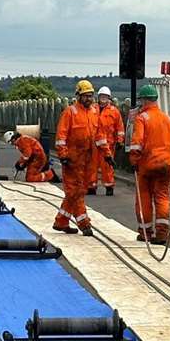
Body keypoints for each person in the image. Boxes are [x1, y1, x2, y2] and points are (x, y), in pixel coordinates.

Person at [126, 83, 170, 244]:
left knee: (144, 198)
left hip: (148, 165)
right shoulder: (167, 119)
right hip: (166, 164)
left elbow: (137, 143)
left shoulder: (142, 118)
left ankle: (145, 231)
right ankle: (162, 234)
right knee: (162, 197)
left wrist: (133, 160)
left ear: (145, 100)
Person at [53, 80, 99, 234]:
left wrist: (106, 154)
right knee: (76, 192)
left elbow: (99, 135)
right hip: (72, 160)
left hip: (88, 160)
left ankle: (61, 221)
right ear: (78, 96)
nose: (88, 98)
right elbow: (61, 136)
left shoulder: (94, 113)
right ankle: (84, 223)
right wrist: (63, 155)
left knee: (77, 192)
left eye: (90, 95)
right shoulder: (70, 112)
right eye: (85, 95)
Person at [94, 85, 124, 196]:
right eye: (102, 96)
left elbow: (119, 128)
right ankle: (91, 186)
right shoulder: (93, 109)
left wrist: (120, 140)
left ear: (109, 98)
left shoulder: (114, 112)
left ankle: (109, 186)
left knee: (108, 166)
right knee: (92, 166)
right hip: (94, 144)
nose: (103, 98)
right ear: (98, 96)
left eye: (105, 96)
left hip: (109, 144)